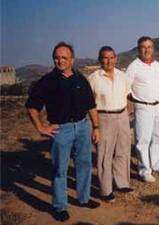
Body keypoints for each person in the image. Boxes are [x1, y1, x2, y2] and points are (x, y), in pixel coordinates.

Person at [26, 42, 100, 222]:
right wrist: (41, 127)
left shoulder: (80, 78)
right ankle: (60, 206)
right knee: (60, 170)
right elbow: (31, 106)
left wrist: (96, 127)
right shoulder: (47, 82)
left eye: (64, 58)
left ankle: (83, 199)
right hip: (61, 130)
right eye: (57, 58)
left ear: (72, 59)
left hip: (83, 127)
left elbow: (91, 105)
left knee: (84, 165)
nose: (60, 61)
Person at [88, 46, 133, 203]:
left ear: (116, 58)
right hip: (104, 118)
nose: (109, 61)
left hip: (122, 116)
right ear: (100, 60)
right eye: (105, 58)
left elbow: (128, 95)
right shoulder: (94, 78)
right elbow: (89, 104)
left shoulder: (122, 76)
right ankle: (106, 190)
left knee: (123, 150)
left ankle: (122, 183)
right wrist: (95, 126)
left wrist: (128, 112)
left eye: (111, 57)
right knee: (104, 154)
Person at [126, 36, 159, 182]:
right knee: (143, 140)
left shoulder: (157, 65)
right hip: (143, 106)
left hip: (158, 105)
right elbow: (126, 89)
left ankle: (157, 164)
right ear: (139, 49)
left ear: (153, 48)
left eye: (149, 47)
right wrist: (131, 106)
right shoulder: (133, 66)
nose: (147, 50)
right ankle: (145, 170)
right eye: (143, 47)